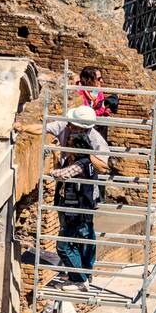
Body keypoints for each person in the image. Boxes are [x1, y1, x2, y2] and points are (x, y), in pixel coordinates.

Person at [47, 103, 109, 286]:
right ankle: (78, 274)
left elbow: (103, 167)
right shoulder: (67, 127)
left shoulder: (95, 143)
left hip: (82, 199)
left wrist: (88, 155)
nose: (68, 129)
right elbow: (44, 127)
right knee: (72, 231)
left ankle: (82, 276)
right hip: (67, 194)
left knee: (82, 235)